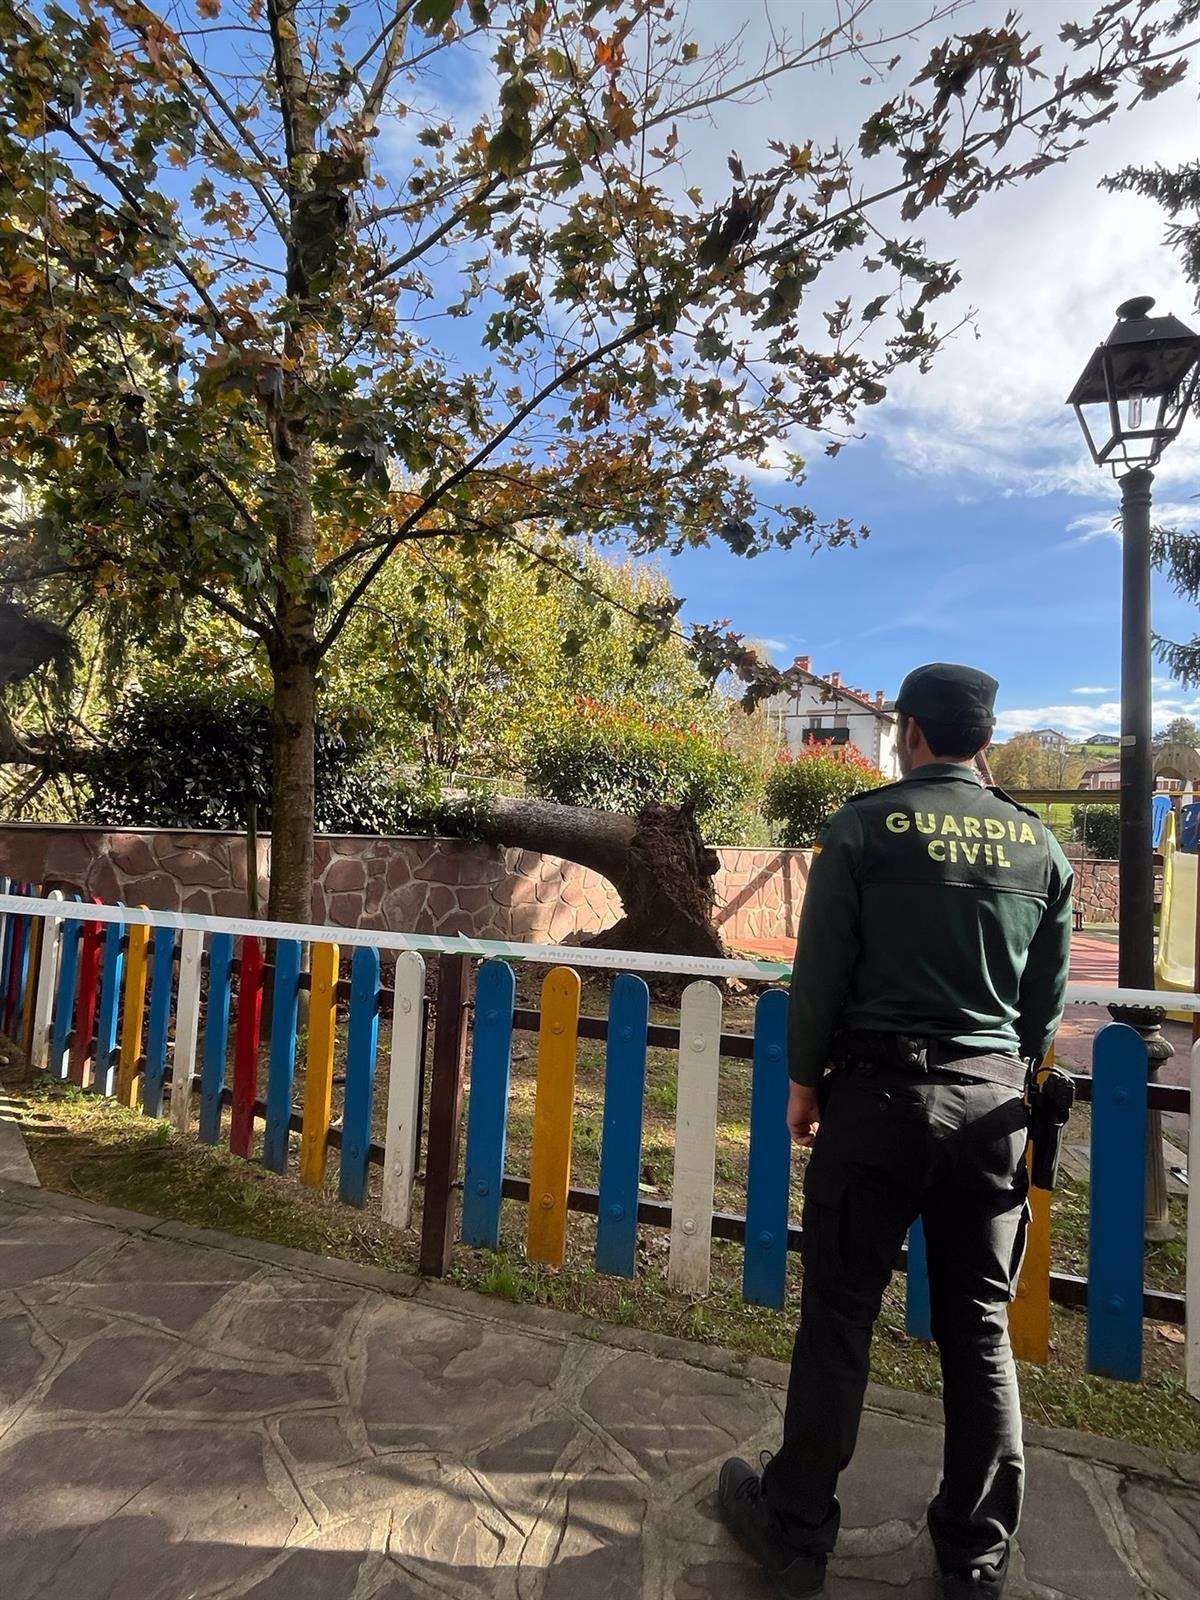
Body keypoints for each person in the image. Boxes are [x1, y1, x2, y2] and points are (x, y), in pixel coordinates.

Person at [718, 663, 1073, 1600]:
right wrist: (1003, 1067)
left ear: (910, 731)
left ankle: (795, 1534)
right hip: (990, 1109)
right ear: (985, 739)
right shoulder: (1041, 849)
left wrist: (804, 1082)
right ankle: (974, 1554)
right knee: (979, 1331)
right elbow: (1044, 1004)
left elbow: (822, 965)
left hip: (873, 1105)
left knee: (838, 1315)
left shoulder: (866, 825)